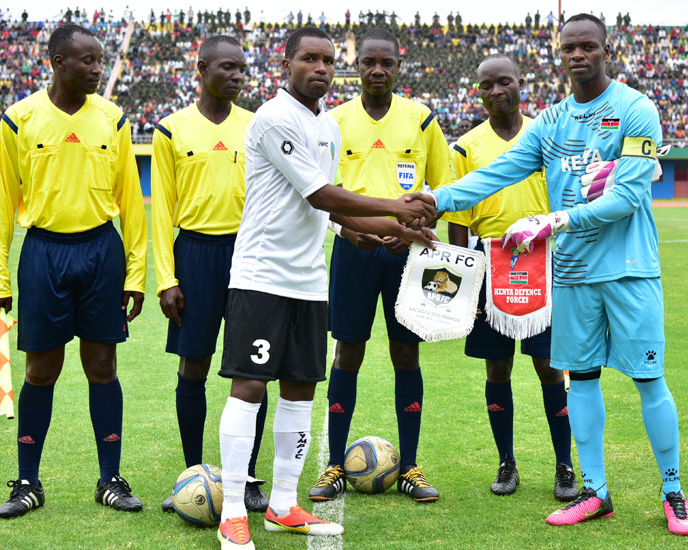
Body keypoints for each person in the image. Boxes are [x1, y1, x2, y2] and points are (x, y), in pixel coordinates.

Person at [425, 14, 688, 536]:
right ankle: (596, 493)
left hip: (629, 269)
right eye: (569, 47)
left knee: (649, 380)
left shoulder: (636, 109)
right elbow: (497, 173)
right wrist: (436, 200)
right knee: (583, 381)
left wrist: (553, 221)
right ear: (559, 53)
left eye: (588, 46)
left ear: (605, 51)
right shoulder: (550, 123)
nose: (578, 55)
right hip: (572, 274)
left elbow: (627, 196)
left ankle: (673, 492)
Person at [215, 26, 437, 550]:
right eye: (309, 58)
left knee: (300, 390)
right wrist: (396, 207)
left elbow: (333, 208)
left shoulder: (327, 126)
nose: (320, 68)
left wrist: (388, 232)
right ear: (286, 64)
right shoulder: (275, 117)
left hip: (310, 280)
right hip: (263, 277)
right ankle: (232, 512)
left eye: (328, 60)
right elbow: (319, 194)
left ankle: (283, 506)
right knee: (249, 387)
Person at [0, 23, 148, 519]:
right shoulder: (19, 119)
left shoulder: (113, 119)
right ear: (58, 63)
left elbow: (131, 201)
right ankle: (27, 482)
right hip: (44, 253)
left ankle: (110, 479)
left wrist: (135, 274)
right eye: (88, 60)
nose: (99, 68)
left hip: (101, 251)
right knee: (40, 370)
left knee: (102, 367)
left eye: (100, 60)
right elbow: (1, 203)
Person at [308, 27, 453, 505]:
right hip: (353, 250)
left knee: (406, 354)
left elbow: (443, 191)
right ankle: (334, 463)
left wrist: (414, 229)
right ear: (357, 67)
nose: (377, 70)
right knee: (346, 353)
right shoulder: (333, 120)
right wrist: (349, 230)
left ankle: (409, 465)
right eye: (368, 62)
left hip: (407, 255)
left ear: (398, 67)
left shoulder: (422, 119)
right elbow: (321, 196)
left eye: (385, 63)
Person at [445, 54, 578, 501]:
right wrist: (465, 282)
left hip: (542, 262)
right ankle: (506, 462)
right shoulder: (466, 146)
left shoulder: (548, 135)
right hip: (488, 263)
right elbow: (458, 216)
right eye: (486, 85)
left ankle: (564, 466)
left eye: (504, 82)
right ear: (478, 92)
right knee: (497, 365)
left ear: (521, 84)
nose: (496, 91)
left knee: (550, 366)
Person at [151, 35, 270, 515]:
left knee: (253, 370)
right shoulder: (171, 128)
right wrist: (167, 279)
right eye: (227, 67)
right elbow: (162, 209)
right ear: (201, 69)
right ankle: (192, 476)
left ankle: (247, 476)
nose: (238, 76)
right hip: (194, 256)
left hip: (248, 255)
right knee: (194, 366)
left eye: (242, 68)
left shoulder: (257, 124)